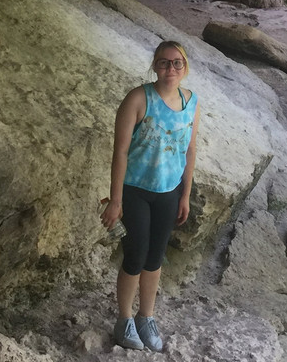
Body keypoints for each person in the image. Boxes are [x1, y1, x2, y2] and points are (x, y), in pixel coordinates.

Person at [100, 40, 200, 352]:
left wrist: (186, 194)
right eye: (163, 62)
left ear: (184, 68)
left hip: (169, 192)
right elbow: (120, 152)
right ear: (154, 66)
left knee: (155, 257)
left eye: (176, 63)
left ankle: (147, 316)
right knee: (135, 255)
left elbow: (190, 149)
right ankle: (124, 319)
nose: (170, 69)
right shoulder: (138, 99)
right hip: (136, 192)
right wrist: (116, 201)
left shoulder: (191, 102)